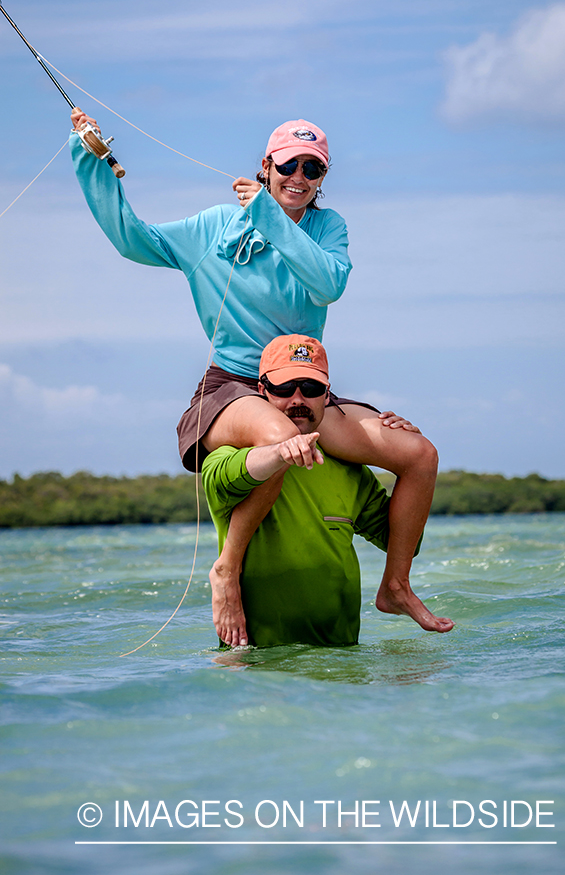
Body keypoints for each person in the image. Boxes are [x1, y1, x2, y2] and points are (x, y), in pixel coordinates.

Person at [69, 110, 439, 644]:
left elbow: (328, 284)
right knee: (283, 441)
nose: (300, 178)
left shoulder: (327, 228)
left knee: (419, 455)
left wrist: (269, 218)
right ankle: (227, 569)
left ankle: (396, 586)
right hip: (233, 386)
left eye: (314, 170)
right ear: (267, 165)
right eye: (290, 165)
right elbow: (133, 240)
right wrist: (91, 157)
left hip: (305, 386)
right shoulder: (214, 226)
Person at [203, 334, 454, 648]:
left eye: (310, 389)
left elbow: (401, 541)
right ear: (262, 392)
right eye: (284, 389)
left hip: (343, 668)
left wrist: (409, 447)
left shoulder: (349, 470)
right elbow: (248, 467)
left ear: (327, 396)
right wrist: (281, 451)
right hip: (258, 668)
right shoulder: (223, 458)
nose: (298, 400)